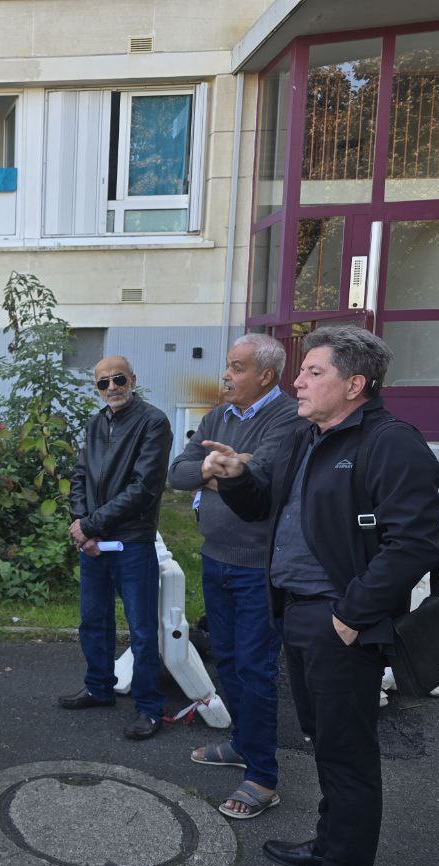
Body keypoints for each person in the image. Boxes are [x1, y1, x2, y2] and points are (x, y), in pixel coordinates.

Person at [203, 325, 439, 866]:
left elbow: (413, 542)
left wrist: (351, 612)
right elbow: (266, 510)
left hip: (341, 624)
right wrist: (235, 478)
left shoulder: (391, 444)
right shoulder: (311, 439)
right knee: (323, 741)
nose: (298, 381)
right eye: (301, 371)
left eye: (313, 372)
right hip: (299, 614)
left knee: (348, 758)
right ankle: (328, 845)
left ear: (354, 384)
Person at [168, 334, 300, 819]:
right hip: (217, 557)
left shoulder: (286, 417)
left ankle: (263, 778)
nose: (226, 375)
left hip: (257, 566)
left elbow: (259, 473)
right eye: (228, 365)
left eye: (236, 367)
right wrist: (216, 469)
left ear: (265, 375)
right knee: (225, 659)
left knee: (255, 668)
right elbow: (177, 473)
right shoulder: (218, 417)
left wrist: (226, 469)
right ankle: (244, 744)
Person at [63, 355, 171, 740]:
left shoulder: (153, 422)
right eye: (103, 383)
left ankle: (149, 707)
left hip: (131, 541)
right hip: (93, 541)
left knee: (141, 628)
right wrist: (81, 524)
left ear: (133, 378)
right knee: (93, 620)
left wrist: (90, 525)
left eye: (118, 378)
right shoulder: (96, 423)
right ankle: (98, 687)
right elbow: (79, 476)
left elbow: (143, 488)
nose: (112, 387)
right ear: (96, 388)